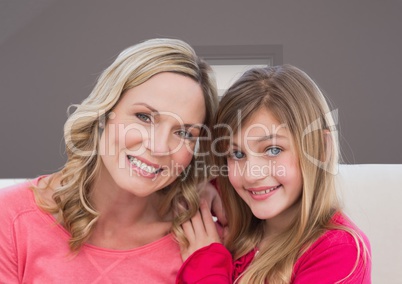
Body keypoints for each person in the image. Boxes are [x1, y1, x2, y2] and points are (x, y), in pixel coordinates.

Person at [0, 38, 221, 283]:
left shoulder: (202, 248)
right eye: (144, 117)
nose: (158, 147)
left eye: (183, 133)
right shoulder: (11, 219)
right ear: (104, 114)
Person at [176, 65, 372, 283]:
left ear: (321, 149)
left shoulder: (339, 251)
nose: (251, 174)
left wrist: (206, 264)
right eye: (237, 154)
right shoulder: (239, 219)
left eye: (273, 150)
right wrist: (206, 188)